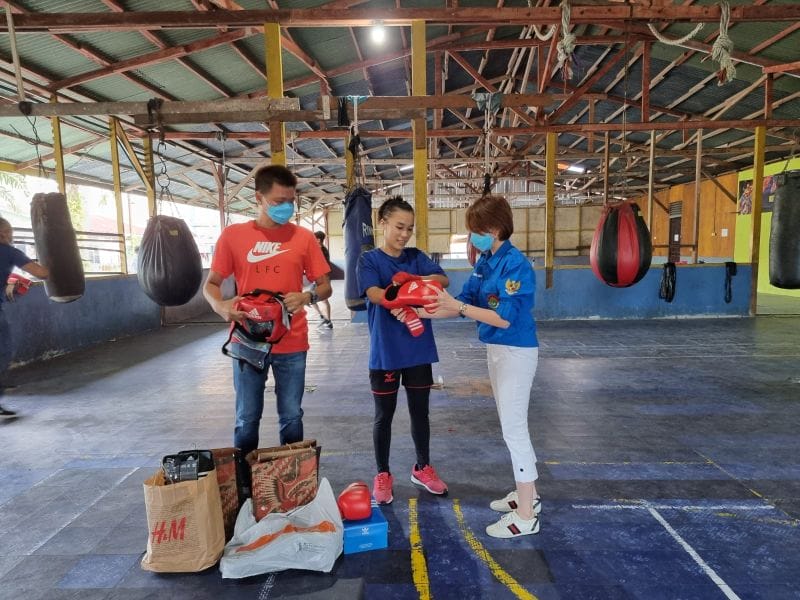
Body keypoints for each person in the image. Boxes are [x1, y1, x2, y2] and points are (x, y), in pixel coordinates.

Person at [425, 195, 541, 538]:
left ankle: (526, 517)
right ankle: (528, 498)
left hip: (516, 351)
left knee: (514, 429)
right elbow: (463, 302)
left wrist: (456, 307)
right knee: (512, 426)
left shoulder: (515, 265)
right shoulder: (486, 262)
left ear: (494, 228)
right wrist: (420, 311)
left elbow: (503, 318)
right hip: (497, 351)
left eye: (477, 230)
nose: (473, 237)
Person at [203, 165, 332, 456]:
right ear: (258, 198)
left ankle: (290, 480)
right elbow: (210, 284)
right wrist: (220, 305)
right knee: (247, 418)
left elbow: (325, 287)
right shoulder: (233, 236)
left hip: (292, 341)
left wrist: (306, 296)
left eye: (291, 201)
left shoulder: (304, 238)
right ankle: (245, 483)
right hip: (248, 341)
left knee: (291, 415)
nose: (286, 207)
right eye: (278, 202)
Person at [357, 196, 450, 504]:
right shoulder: (369, 260)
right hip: (385, 351)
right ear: (382, 223)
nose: (404, 234)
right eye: (399, 226)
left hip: (418, 349)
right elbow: (373, 292)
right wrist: (399, 298)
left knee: (419, 412)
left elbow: (442, 279)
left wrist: (414, 281)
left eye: (409, 228)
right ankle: (382, 473)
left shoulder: (415, 256)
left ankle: (422, 467)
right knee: (383, 415)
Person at [1, 217, 49, 418]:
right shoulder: (10, 251)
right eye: (9, 232)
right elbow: (42, 273)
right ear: (4, 233)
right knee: (3, 352)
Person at [311, 231, 333, 329]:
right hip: (320, 278)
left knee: (320, 299)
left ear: (318, 240)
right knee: (314, 299)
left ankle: (327, 319)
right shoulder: (323, 249)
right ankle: (324, 318)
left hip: (322, 278)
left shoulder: (320, 251)